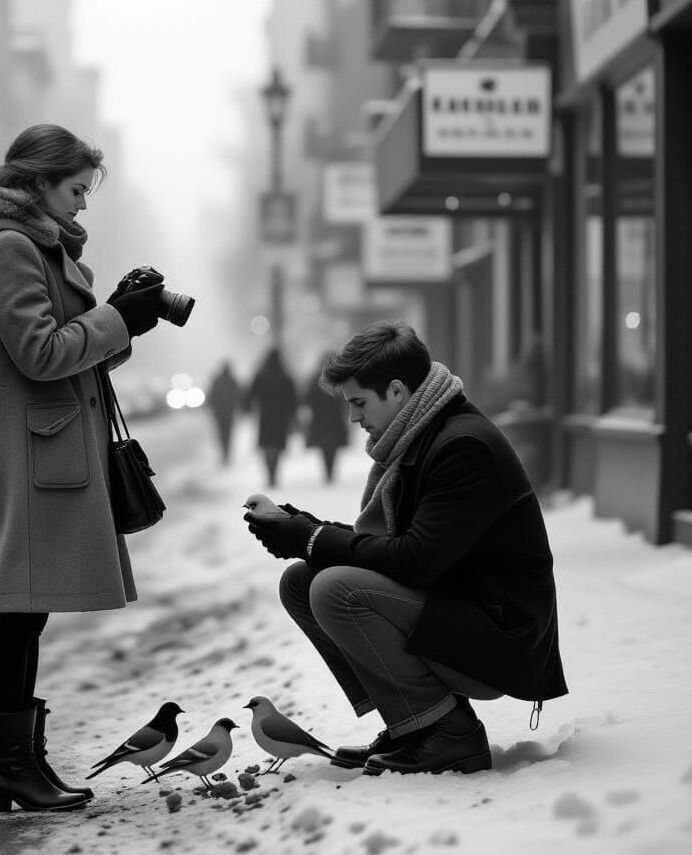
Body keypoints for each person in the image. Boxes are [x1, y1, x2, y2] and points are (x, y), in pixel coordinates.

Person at [0, 123, 167, 813]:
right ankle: (13, 768)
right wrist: (115, 320)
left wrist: (128, 317)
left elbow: (71, 348)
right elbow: (38, 353)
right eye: (74, 189)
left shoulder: (30, 245)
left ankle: (21, 767)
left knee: (25, 615)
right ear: (37, 184)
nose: (84, 205)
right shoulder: (8, 249)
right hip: (28, 449)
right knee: (18, 613)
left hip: (44, 445)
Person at [243, 320, 567, 776]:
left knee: (335, 588)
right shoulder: (425, 435)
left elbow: (416, 560)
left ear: (396, 391)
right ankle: (411, 727)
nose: (353, 417)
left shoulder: (463, 446)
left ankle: (448, 732)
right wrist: (304, 529)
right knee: (302, 581)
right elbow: (396, 548)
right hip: (460, 613)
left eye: (358, 402)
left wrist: (312, 538)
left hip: (500, 640)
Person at [244, 346, 298, 488]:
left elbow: (251, 394)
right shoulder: (285, 375)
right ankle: (274, 473)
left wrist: (247, 408)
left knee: (267, 446)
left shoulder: (261, 375)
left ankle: (270, 473)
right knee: (277, 446)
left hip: (265, 416)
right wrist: (293, 412)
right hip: (281, 416)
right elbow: (293, 397)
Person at [301, 352, 349, 483]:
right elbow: (346, 397)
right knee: (333, 447)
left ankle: (328, 472)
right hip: (335, 418)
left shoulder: (315, 379)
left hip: (320, 418)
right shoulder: (339, 378)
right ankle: (330, 472)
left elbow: (308, 398)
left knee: (324, 447)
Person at [206, 360, 241, 464]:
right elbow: (238, 396)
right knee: (228, 433)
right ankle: (226, 452)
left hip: (220, 413)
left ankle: (224, 452)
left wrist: (213, 407)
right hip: (228, 412)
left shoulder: (217, 381)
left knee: (222, 434)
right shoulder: (232, 381)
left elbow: (211, 396)